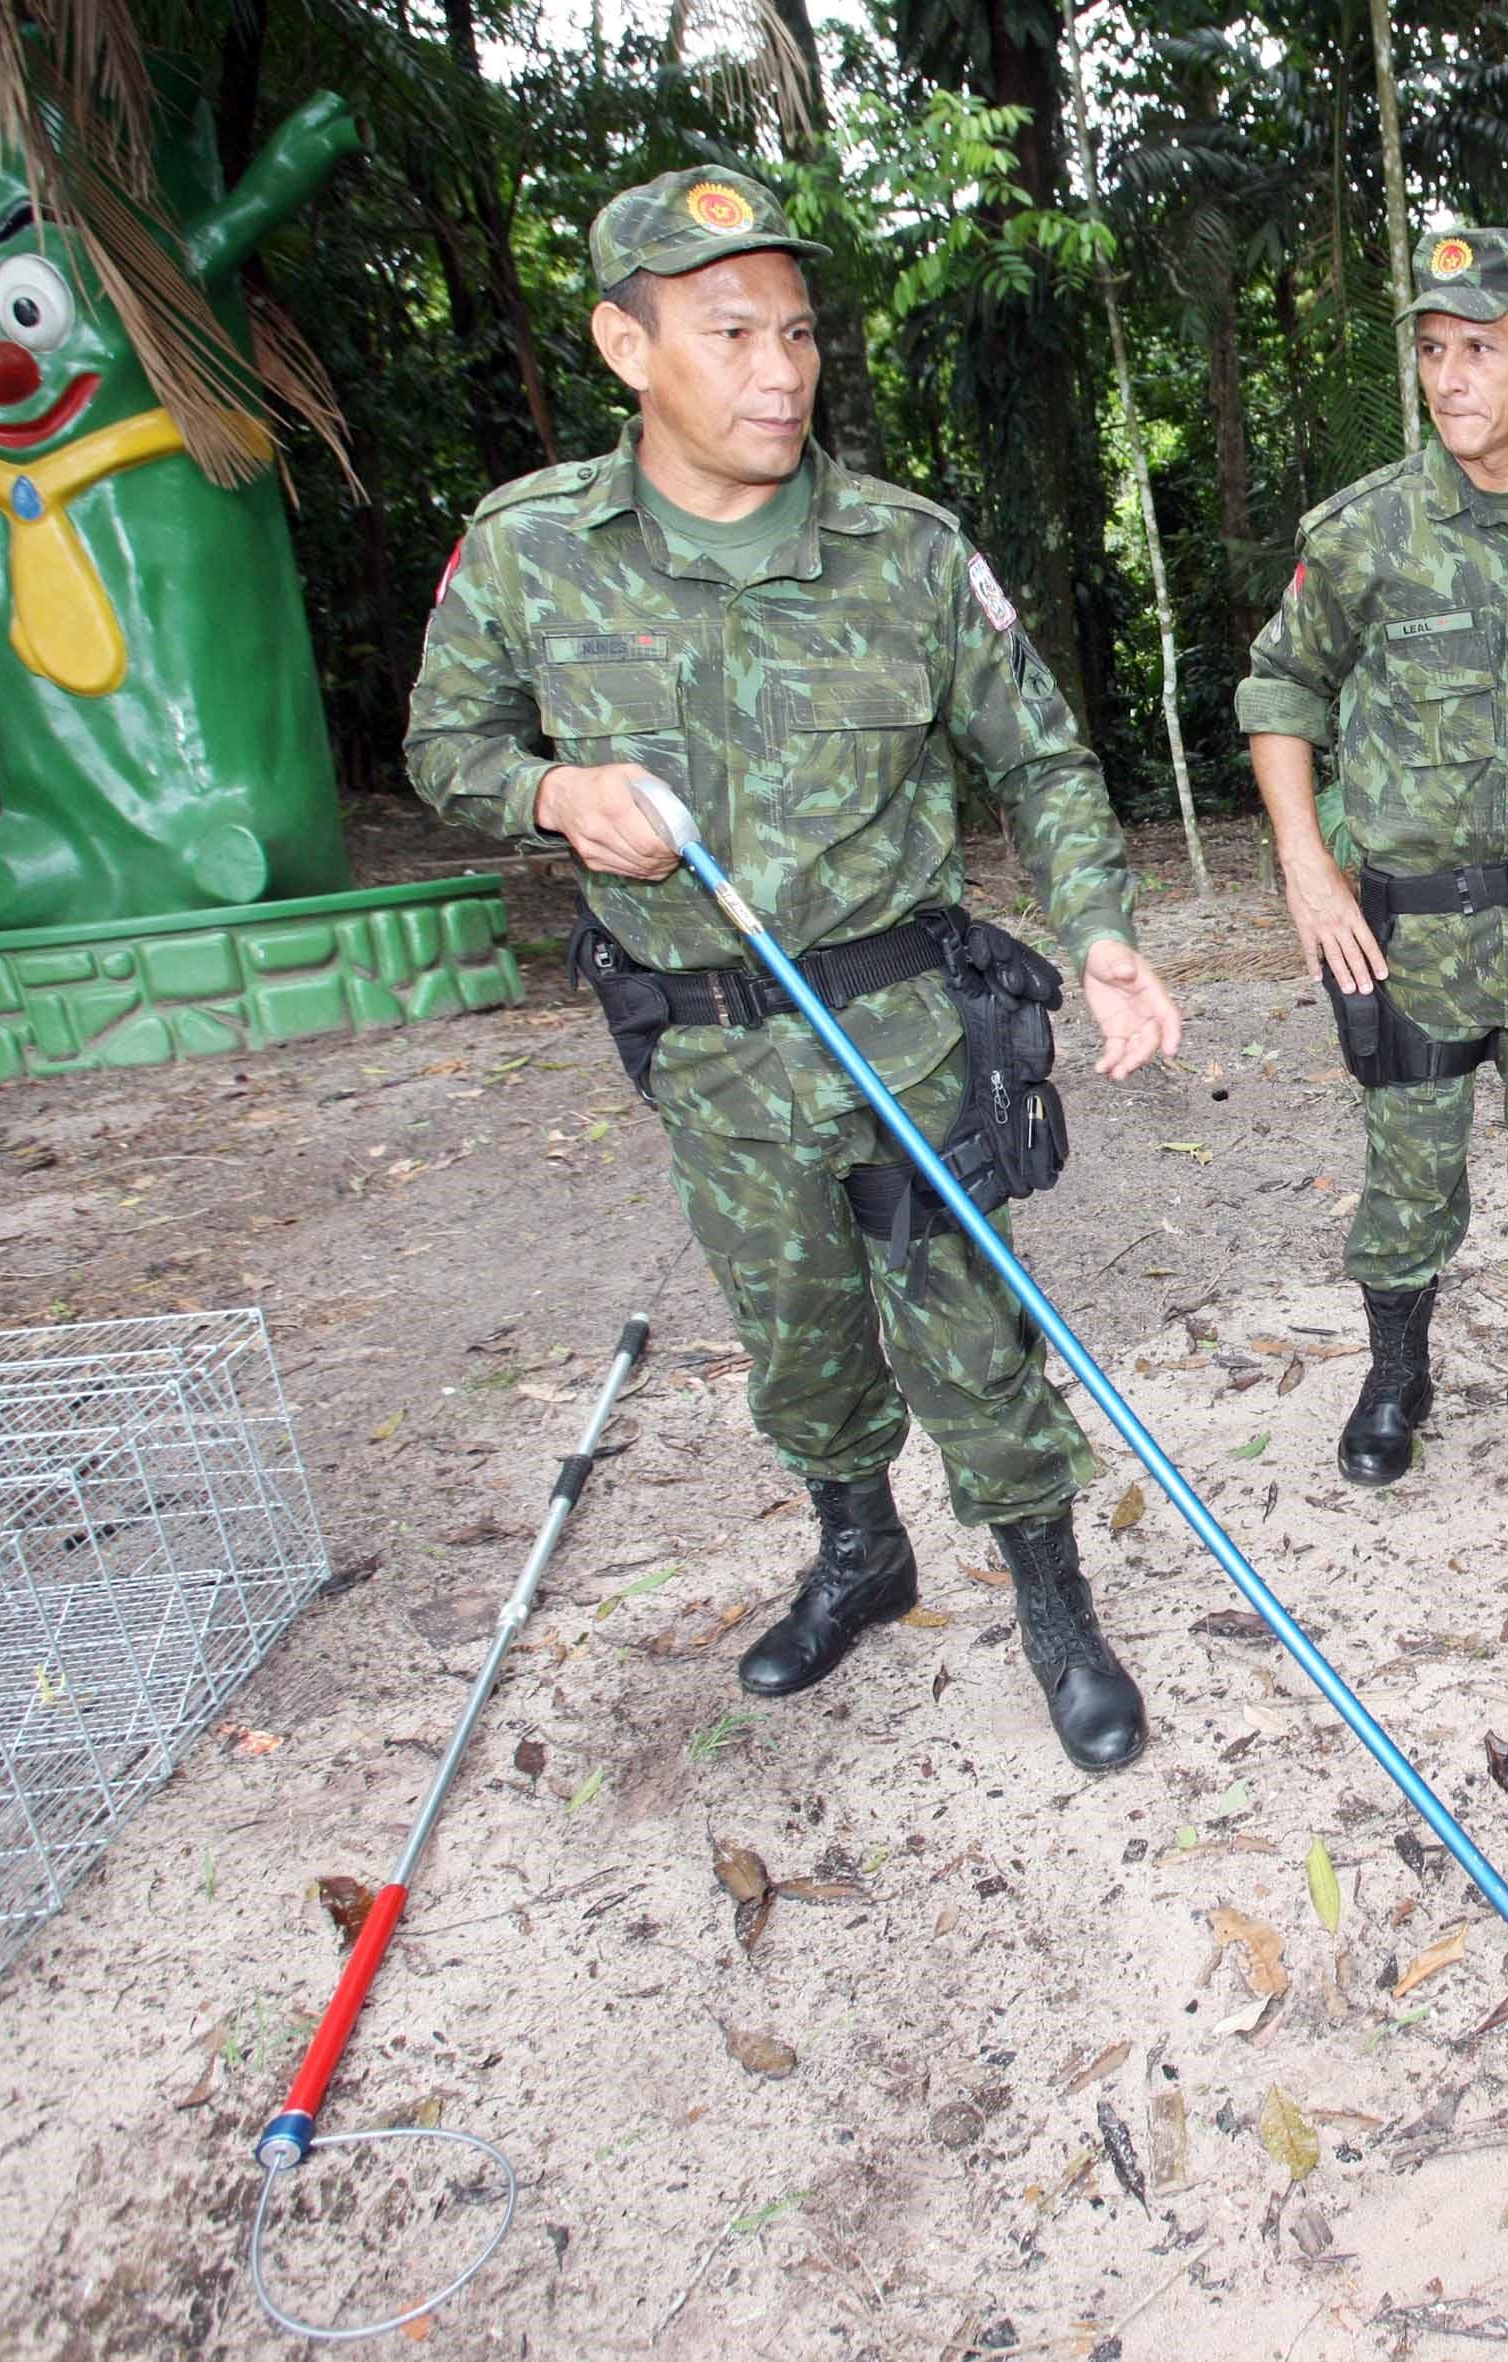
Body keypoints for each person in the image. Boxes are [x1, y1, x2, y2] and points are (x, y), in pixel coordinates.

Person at [406, 166, 1184, 1767]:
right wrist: (550, 796)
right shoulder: (532, 551)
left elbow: (1040, 760)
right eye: (729, 331)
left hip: (904, 1036)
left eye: (799, 333)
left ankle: (1051, 1602)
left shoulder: (906, 551)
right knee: (799, 1335)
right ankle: (859, 1550)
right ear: (628, 348)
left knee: (970, 1333)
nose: (778, 371)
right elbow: (441, 744)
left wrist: (1102, 934)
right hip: (705, 1055)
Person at [1237, 227, 1508, 1490]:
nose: (1449, 377)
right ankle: (1397, 1373)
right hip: (1411, 923)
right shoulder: (1368, 532)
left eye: (1480, 349)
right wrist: (1306, 866)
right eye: (1433, 350)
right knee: (1414, 1161)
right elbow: (1280, 691)